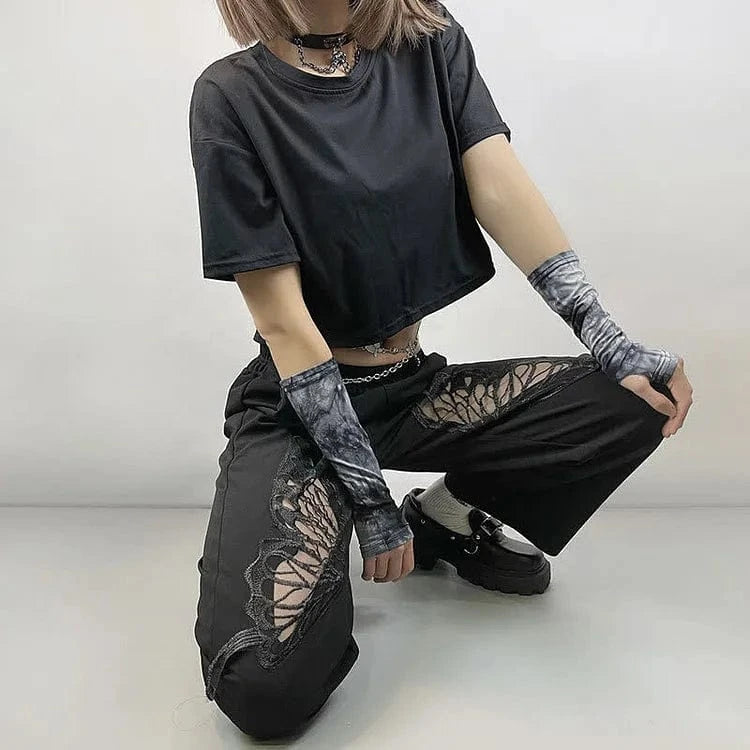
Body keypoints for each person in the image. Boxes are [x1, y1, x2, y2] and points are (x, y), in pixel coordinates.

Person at [188, 0, 694, 739]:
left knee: (638, 398)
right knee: (263, 688)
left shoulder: (426, 39)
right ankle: (321, 517)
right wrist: (367, 501)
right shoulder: (230, 95)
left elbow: (498, 184)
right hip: (299, 410)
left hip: (409, 389)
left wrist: (607, 337)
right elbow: (283, 320)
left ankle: (446, 516)